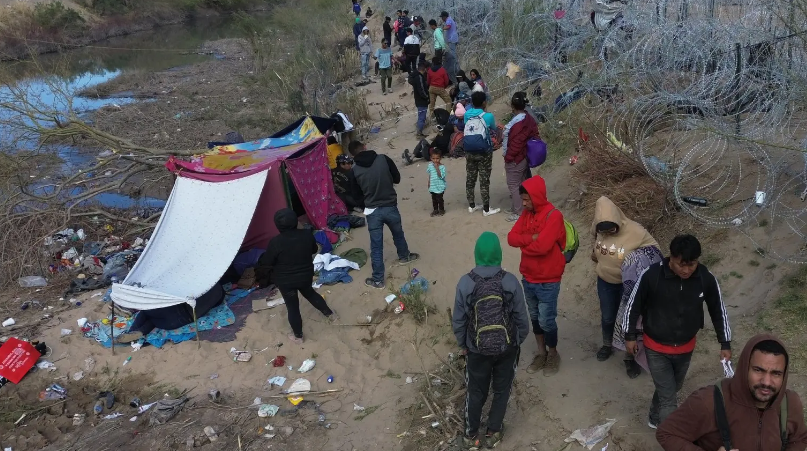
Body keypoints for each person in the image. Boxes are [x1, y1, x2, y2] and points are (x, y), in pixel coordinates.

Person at [624, 234, 732, 428]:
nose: (687, 270)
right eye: (681, 265)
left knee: (673, 387)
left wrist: (725, 342)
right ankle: (670, 436)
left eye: (692, 264)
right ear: (671, 258)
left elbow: (718, 310)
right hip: (655, 348)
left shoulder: (705, 278)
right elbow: (633, 306)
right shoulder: (651, 275)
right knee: (669, 399)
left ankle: (653, 417)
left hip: (685, 348)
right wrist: (629, 335)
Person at [656, 334, 807, 451]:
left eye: (776, 373)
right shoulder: (708, 401)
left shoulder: (789, 403)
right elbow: (667, 434)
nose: (766, 382)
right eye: (758, 370)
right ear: (744, 368)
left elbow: (799, 440)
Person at [453, 231, 529, 450]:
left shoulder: (465, 283)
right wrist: (516, 341)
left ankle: (471, 436)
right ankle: (493, 431)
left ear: (477, 253)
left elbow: (459, 320)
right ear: (499, 253)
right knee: (502, 389)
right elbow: (521, 317)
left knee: (476, 391)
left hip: (476, 349)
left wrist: (463, 345)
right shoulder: (510, 281)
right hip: (507, 347)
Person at [590, 196, 659, 376]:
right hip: (605, 281)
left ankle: (630, 357)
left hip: (630, 287)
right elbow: (594, 241)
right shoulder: (597, 228)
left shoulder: (636, 231)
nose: (608, 233)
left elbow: (655, 253)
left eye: (612, 229)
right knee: (608, 317)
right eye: (604, 231)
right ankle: (607, 344)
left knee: (629, 322)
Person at [507, 175, 567, 376]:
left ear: (537, 197)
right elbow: (511, 238)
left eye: (527, 199)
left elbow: (542, 247)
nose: (523, 204)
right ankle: (541, 353)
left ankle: (553, 353)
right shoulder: (527, 214)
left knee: (547, 320)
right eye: (522, 199)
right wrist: (531, 238)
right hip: (529, 276)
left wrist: (525, 244)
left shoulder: (554, 216)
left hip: (548, 279)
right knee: (534, 317)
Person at [257, 209, 338, 344]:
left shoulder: (275, 242)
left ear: (278, 226)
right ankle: (331, 315)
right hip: (305, 275)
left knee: (292, 307)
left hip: (285, 281)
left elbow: (267, 262)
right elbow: (313, 249)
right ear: (296, 221)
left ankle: (298, 337)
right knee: (311, 294)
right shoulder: (307, 235)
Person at [349, 141, 419, 289]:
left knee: (376, 246)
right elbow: (397, 178)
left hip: (372, 211)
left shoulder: (354, 170)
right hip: (390, 205)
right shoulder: (383, 159)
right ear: (365, 147)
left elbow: (355, 195)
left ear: (352, 155)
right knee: (398, 233)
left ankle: (378, 280)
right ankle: (404, 256)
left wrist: (365, 205)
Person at [502, 92, 539, 222]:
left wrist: (508, 157)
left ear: (512, 106)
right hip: (524, 156)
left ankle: (518, 212)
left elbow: (516, 144)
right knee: (522, 183)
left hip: (516, 158)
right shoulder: (528, 119)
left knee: (513, 185)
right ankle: (518, 208)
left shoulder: (518, 123)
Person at [464, 91, 500, 217]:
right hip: (484, 151)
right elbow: (494, 128)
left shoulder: (467, 114)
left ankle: (471, 205)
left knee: (470, 177)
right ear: (484, 102)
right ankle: (486, 209)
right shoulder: (488, 116)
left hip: (469, 150)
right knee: (484, 180)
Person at [408, 60, 430, 138]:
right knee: (422, 117)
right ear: (424, 69)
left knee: (420, 115)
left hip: (418, 99)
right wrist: (427, 97)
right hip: (422, 100)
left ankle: (419, 130)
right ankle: (419, 133)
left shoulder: (415, 77)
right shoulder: (419, 77)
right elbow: (421, 90)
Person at [426, 149, 446, 217]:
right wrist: (429, 182)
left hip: (440, 186)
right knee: (434, 199)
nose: (435, 160)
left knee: (439, 199)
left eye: (437, 158)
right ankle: (435, 210)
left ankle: (441, 210)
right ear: (431, 158)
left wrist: (437, 168)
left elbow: (441, 176)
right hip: (433, 185)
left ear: (440, 158)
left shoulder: (442, 167)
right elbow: (430, 174)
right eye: (433, 158)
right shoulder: (430, 166)